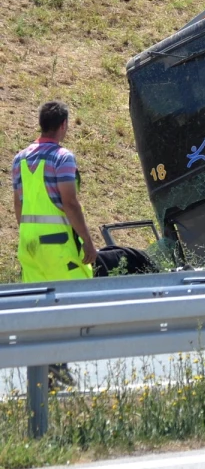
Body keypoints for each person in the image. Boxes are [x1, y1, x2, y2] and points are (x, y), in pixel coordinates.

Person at [12, 100, 98, 390]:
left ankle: (44, 374)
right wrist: (88, 241)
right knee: (72, 303)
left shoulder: (20, 159)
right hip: (57, 246)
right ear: (63, 125)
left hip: (29, 245)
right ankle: (59, 371)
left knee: (38, 308)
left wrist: (29, 236)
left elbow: (18, 206)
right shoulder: (63, 158)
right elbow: (70, 204)